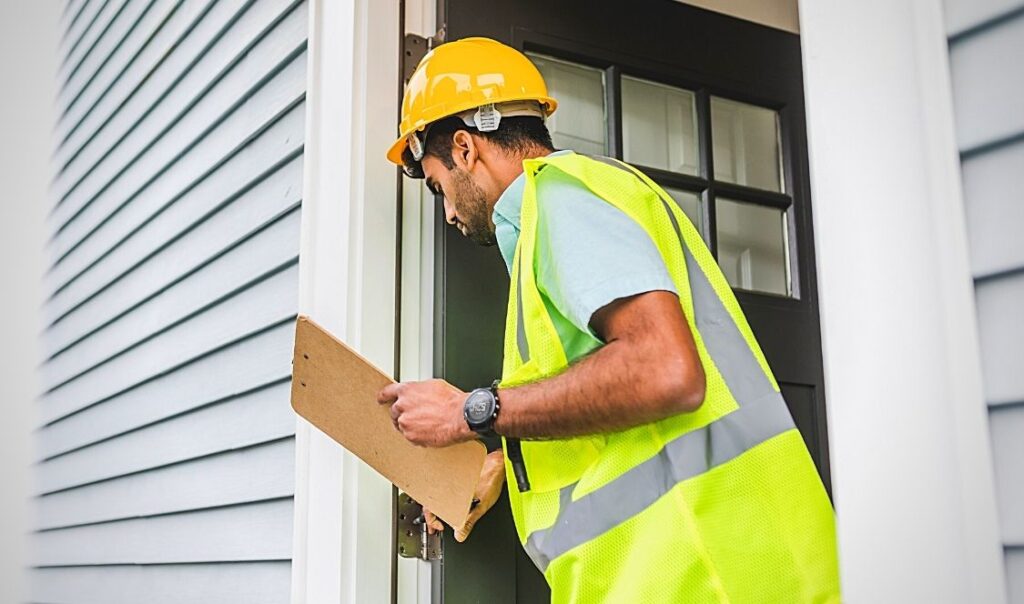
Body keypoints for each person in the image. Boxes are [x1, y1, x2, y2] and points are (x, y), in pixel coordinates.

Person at [378, 37, 840, 603]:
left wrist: (472, 412)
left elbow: (665, 370)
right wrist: (504, 458)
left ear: (466, 148)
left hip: (709, 576)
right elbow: (609, 395)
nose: (447, 211)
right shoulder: (576, 206)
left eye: (437, 185)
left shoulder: (561, 202)